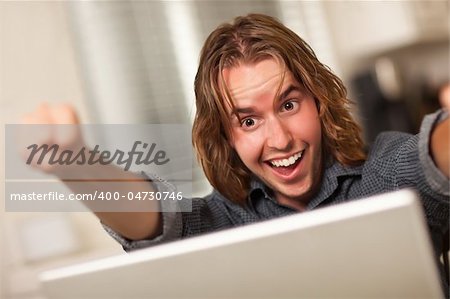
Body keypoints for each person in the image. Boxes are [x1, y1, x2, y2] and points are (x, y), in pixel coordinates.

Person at [24, 14, 449, 293]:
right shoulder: (222, 222)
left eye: (288, 105)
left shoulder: (388, 173)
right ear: (224, 135)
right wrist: (73, 163)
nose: (279, 140)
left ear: (319, 102)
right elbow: (153, 218)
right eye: (248, 121)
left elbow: (434, 157)